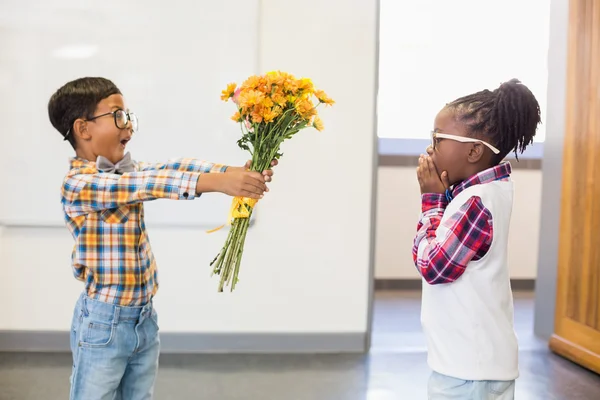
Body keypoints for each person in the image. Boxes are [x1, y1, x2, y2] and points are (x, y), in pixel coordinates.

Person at [48, 77, 276, 400]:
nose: (128, 126)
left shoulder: (127, 171)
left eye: (128, 116)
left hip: (143, 319)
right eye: (118, 116)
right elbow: (146, 184)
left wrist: (233, 173)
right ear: (83, 129)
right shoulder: (78, 183)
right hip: (103, 323)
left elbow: (173, 167)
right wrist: (220, 183)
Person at [413, 79, 541, 399]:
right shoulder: (478, 194)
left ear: (473, 151)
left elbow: (434, 266)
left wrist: (430, 200)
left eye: (438, 138)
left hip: (469, 372)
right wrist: (441, 198)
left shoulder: (476, 201)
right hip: (473, 366)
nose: (430, 147)